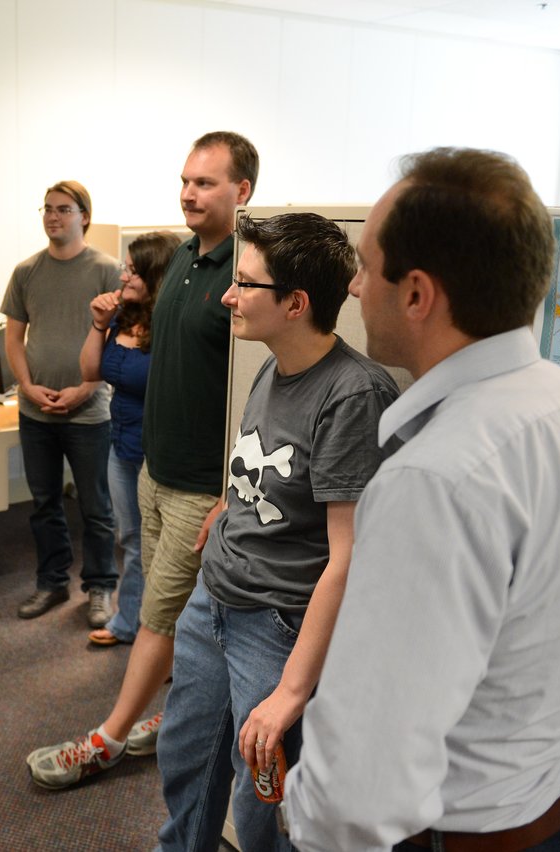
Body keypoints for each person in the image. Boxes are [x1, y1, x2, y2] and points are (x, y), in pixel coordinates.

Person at [283, 148, 560, 851]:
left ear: (418, 294)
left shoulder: (436, 479)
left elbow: (361, 779)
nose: (355, 288)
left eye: (365, 266)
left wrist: (304, 821)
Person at [156, 213, 399, 852]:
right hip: (215, 601)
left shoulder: (352, 395)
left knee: (262, 804)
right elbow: (261, 465)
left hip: (275, 624)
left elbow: (349, 558)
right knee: (185, 760)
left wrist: (292, 690)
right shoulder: (270, 365)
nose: (228, 297)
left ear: (295, 304)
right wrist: (226, 508)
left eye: (245, 285)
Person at [27, 131, 257, 787]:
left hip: (198, 488)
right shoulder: (184, 258)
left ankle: (109, 735)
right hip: (154, 471)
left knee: (158, 616)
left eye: (206, 183)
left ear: (241, 192)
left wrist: (230, 491)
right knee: (178, 617)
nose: (189, 192)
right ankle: (180, 714)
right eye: (185, 180)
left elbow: (258, 388)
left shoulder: (248, 272)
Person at [1, 180, 121, 628]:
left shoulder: (109, 271)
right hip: (36, 412)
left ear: (83, 216)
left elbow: (123, 341)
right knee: (44, 503)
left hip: (89, 413)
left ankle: (100, 587)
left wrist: (86, 387)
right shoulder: (26, 271)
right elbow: (14, 338)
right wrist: (27, 386)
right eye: (48, 209)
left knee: (96, 507)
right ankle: (51, 582)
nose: (54, 216)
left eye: (64, 209)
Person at [78, 230, 180, 647]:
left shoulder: (172, 324)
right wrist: (98, 325)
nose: (123, 277)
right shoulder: (124, 316)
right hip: (120, 445)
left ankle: (153, 630)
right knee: (131, 540)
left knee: (156, 547)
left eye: (133, 271)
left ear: (155, 276)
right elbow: (90, 372)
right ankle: (133, 622)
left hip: (157, 450)